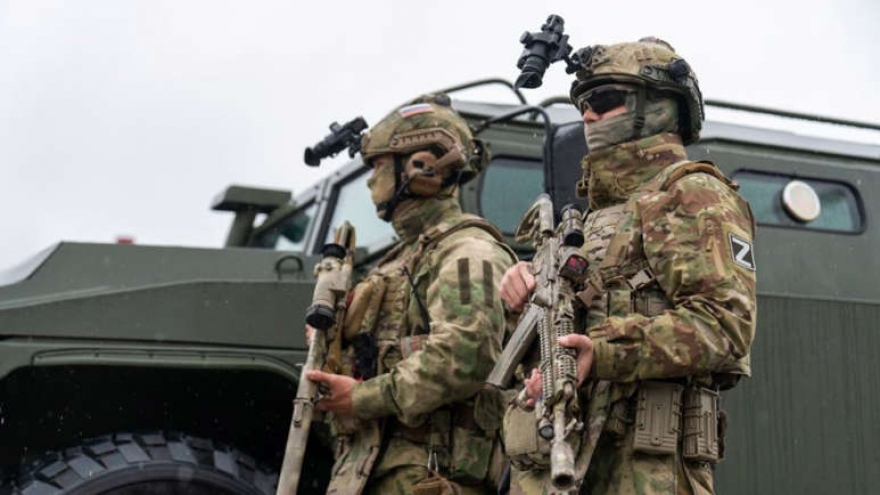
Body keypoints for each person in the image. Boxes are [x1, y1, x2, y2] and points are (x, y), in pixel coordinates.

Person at [499, 38, 757, 494]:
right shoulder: (590, 221)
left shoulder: (690, 194)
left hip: (644, 471)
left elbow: (725, 324)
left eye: (603, 100)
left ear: (658, 104)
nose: (587, 116)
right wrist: (521, 299)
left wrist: (604, 352)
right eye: (582, 104)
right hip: (567, 458)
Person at [305, 93, 517, 495]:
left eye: (379, 165)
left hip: (429, 476)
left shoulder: (467, 250)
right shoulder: (402, 259)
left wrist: (362, 397)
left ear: (423, 168)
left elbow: (466, 355)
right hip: (370, 473)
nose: (371, 180)